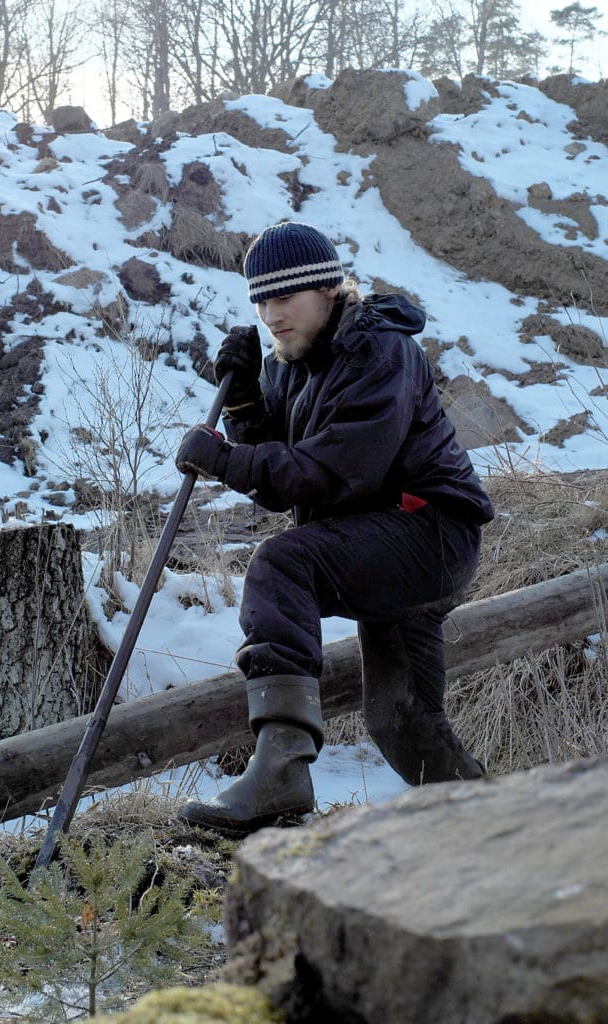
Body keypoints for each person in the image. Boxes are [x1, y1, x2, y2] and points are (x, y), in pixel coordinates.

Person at [175, 221, 495, 837]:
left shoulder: (382, 351)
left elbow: (332, 470)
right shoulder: (291, 364)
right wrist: (244, 404)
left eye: (284, 297)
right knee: (400, 719)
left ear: (326, 289)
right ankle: (505, 830)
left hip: (428, 532)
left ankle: (280, 775)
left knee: (281, 564)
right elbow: (279, 476)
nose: (271, 314)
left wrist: (224, 459)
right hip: (382, 536)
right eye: (260, 301)